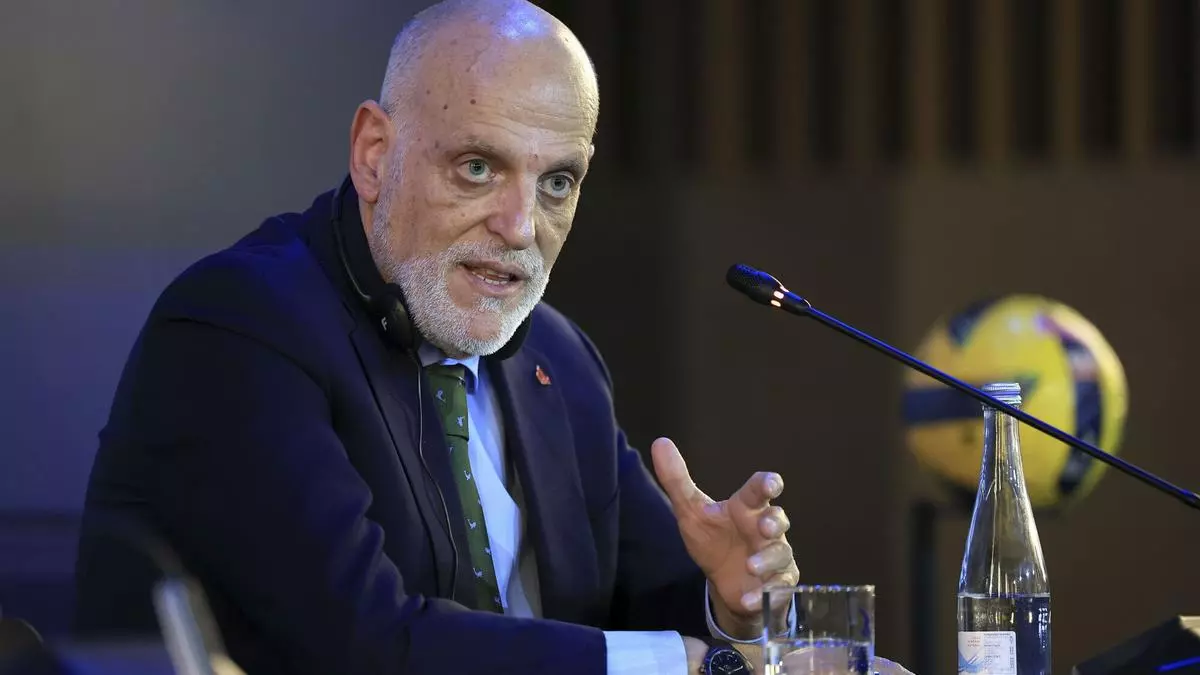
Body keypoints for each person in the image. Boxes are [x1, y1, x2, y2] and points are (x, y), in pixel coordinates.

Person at [72, 1, 800, 673]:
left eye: (556, 182)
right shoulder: (239, 328)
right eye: (478, 168)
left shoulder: (559, 359)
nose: (520, 227)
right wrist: (680, 665)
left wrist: (728, 604)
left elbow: (655, 610)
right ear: (374, 154)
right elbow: (363, 644)